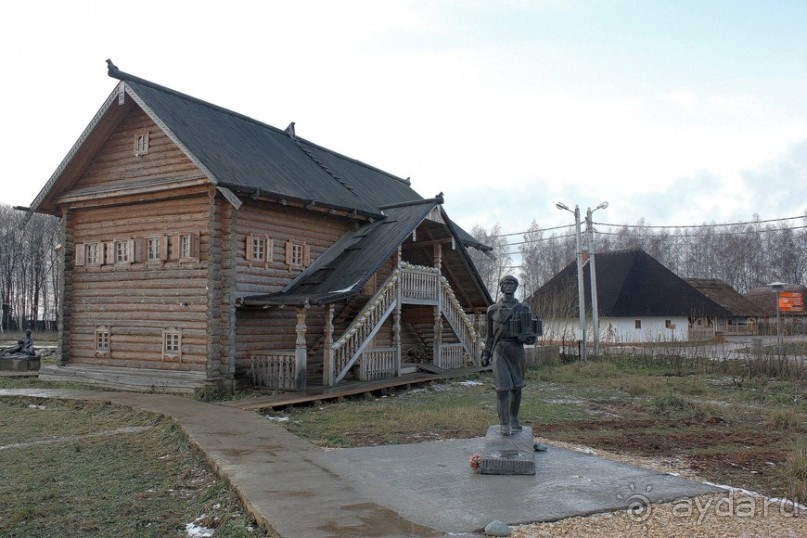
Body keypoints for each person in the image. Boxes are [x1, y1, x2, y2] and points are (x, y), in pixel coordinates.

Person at [481, 276, 538, 436]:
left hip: (517, 351)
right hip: (500, 350)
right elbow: (490, 335)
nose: (509, 286)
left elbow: (531, 333)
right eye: (506, 283)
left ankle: (514, 418)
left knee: (517, 388)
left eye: (512, 283)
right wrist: (487, 353)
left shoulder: (523, 308)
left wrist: (527, 338)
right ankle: (504, 423)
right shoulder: (492, 309)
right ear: (501, 287)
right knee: (502, 389)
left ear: (516, 287)